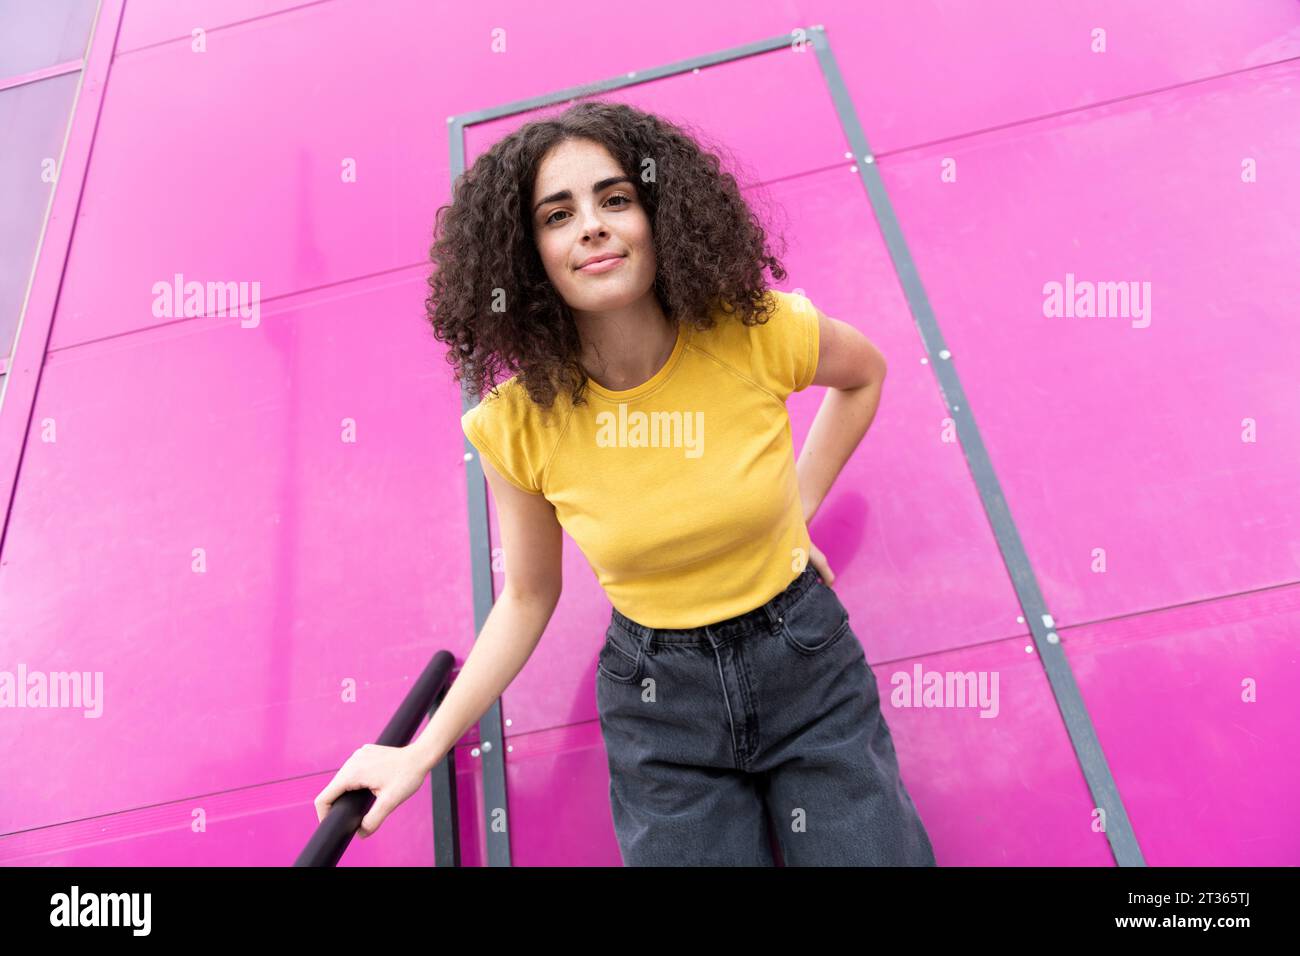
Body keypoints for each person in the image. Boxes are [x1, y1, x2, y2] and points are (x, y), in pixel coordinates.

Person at [314, 99, 935, 866]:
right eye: (557, 215)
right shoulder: (514, 423)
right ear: (527, 255)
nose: (592, 226)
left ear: (659, 215)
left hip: (804, 663)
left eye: (615, 199)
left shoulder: (756, 330)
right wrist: (418, 753)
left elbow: (864, 375)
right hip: (660, 706)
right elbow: (529, 595)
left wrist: (794, 512)